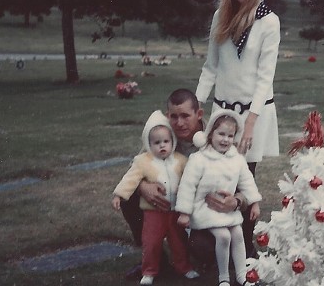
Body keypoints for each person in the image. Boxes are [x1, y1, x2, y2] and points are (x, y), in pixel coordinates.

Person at [195, 0, 280, 258]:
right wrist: (197, 105)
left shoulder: (269, 21)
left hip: (253, 114)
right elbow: (211, 67)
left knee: (245, 179)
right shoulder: (221, 15)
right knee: (217, 175)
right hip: (222, 113)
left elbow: (264, 77)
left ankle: (244, 247)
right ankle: (215, 240)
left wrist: (251, 124)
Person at [119, 89, 245, 278]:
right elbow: (138, 165)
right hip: (172, 203)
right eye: (174, 116)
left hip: (205, 209)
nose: (179, 123)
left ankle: (209, 258)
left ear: (199, 114)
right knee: (128, 199)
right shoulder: (163, 133)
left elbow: (245, 182)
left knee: (203, 247)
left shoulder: (218, 134)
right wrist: (142, 186)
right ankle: (155, 259)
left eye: (186, 116)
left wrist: (237, 201)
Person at [111, 110, 200, 285]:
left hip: (175, 211)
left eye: (166, 141)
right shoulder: (143, 161)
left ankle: (184, 267)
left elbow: (192, 176)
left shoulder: (180, 160)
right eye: (156, 142)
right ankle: (149, 270)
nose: (162, 146)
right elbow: (130, 178)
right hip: (154, 213)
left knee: (178, 242)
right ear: (148, 143)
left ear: (172, 141)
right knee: (151, 243)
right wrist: (119, 194)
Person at [176, 110, 262, 286]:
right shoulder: (199, 158)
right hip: (204, 209)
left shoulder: (236, 158)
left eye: (230, 136)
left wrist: (254, 202)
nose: (225, 139)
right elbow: (187, 185)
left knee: (237, 233)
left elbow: (247, 181)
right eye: (221, 134)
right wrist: (184, 212)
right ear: (210, 134)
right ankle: (223, 277)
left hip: (226, 210)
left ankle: (241, 275)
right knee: (223, 236)